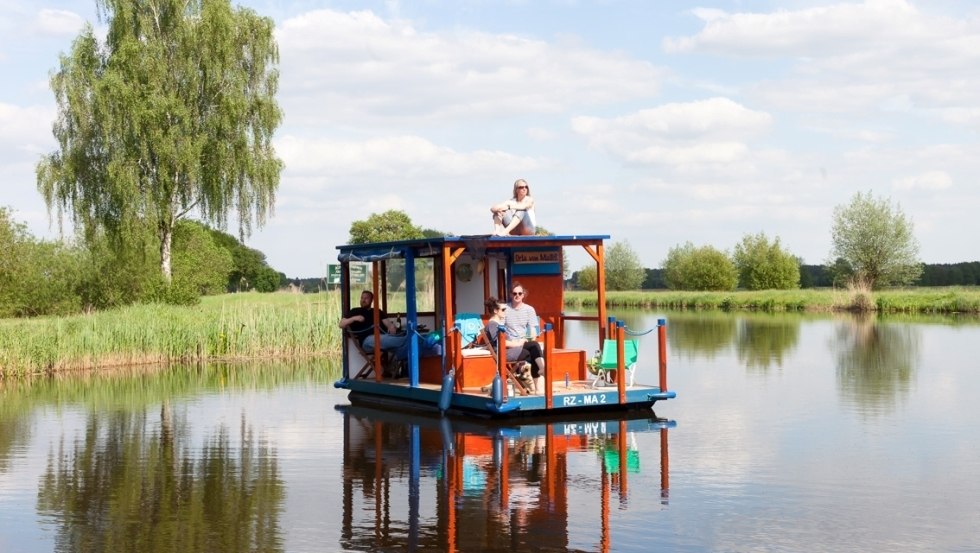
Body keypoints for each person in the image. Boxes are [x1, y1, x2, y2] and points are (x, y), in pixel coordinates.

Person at [338, 291, 408, 375]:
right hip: (367, 341)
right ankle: (413, 340)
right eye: (362, 298)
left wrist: (392, 327)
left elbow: (389, 326)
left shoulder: (378, 311)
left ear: (371, 300)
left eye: (366, 298)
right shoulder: (355, 311)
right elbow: (341, 324)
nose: (363, 300)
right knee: (387, 339)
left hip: (383, 339)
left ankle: (410, 344)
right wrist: (354, 318)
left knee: (397, 342)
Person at [483, 297, 534, 394]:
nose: (505, 311)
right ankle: (524, 374)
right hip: (502, 353)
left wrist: (519, 341)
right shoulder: (493, 324)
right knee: (528, 352)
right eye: (503, 309)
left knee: (533, 346)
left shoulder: (498, 323)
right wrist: (517, 344)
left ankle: (527, 375)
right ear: (495, 311)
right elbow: (500, 342)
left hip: (506, 350)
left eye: (505, 309)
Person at [503, 283, 547, 394]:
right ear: (510, 295)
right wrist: (512, 342)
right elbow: (501, 330)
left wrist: (531, 337)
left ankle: (539, 380)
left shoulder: (529, 309)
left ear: (523, 295)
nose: (517, 296)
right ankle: (541, 378)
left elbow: (532, 329)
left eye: (519, 293)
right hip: (511, 343)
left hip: (523, 340)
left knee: (534, 346)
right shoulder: (504, 309)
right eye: (514, 293)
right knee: (534, 349)